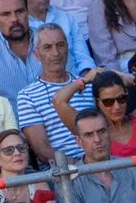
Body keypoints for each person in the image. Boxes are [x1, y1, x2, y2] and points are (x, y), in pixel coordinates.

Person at [61, 68, 136, 194]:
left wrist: (131, 78)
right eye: (108, 102)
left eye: (122, 98)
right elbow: (59, 100)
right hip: (120, 196)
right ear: (97, 102)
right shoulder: (92, 130)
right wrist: (84, 80)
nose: (117, 106)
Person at [16, 22, 91, 162]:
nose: (56, 53)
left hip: (100, 162)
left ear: (67, 48)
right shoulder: (27, 96)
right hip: (64, 170)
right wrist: (78, 166)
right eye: (47, 47)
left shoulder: (88, 85)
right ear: (36, 54)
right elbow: (41, 149)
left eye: (60, 45)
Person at [17, 0, 96, 77]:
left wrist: (86, 78)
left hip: (75, 81)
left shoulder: (66, 18)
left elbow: (82, 57)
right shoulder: (18, 25)